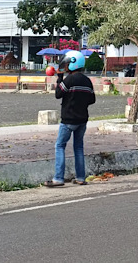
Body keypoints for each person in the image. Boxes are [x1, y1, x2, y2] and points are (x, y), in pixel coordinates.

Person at [44, 50, 96, 187]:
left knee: (60, 146)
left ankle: (58, 178)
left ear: (73, 64)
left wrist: (60, 78)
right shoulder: (87, 81)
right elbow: (92, 100)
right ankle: (80, 177)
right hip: (82, 120)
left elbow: (58, 94)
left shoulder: (69, 80)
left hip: (68, 120)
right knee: (78, 147)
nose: (65, 67)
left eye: (66, 65)